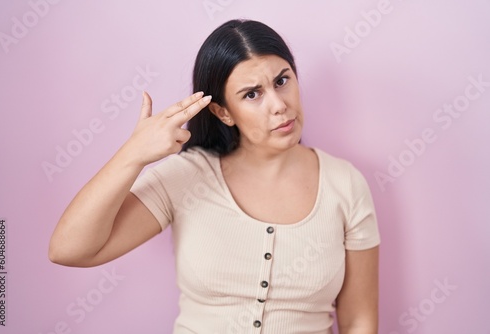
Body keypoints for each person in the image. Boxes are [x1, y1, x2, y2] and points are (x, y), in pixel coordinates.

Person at [49, 19, 380, 334]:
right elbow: (70, 250)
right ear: (223, 112)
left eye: (282, 80)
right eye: (252, 94)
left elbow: (358, 320)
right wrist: (133, 155)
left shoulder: (345, 185)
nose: (279, 105)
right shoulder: (187, 177)